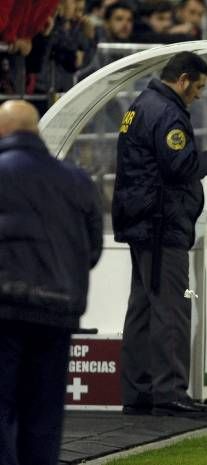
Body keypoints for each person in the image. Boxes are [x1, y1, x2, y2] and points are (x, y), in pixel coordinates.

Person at [113, 51, 207, 416]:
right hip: (162, 226)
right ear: (182, 80)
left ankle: (138, 390)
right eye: (197, 87)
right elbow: (178, 166)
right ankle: (170, 392)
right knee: (173, 308)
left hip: (142, 224)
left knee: (143, 309)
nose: (198, 95)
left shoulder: (141, 105)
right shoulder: (166, 112)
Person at [0, 100, 103, 465]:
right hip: (59, 312)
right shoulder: (76, 179)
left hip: (6, 313)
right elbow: (92, 249)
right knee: (44, 418)